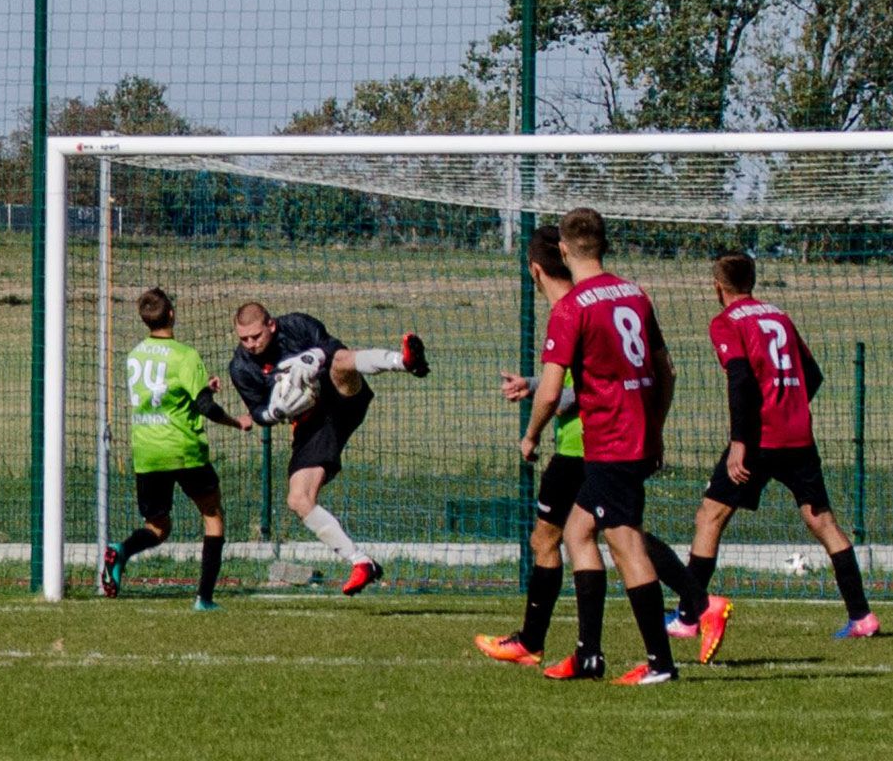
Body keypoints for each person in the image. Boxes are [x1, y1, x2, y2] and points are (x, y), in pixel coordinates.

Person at [475, 226, 729, 668]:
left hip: (590, 443)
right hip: (616, 438)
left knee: (594, 538)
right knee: (591, 533)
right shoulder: (622, 297)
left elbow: (575, 389)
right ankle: (589, 650)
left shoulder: (575, 309)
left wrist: (532, 430)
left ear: (537, 269)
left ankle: (668, 630)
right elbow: (636, 372)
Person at [676, 251, 879, 639]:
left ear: (717, 287)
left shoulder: (726, 322)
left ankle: (687, 617)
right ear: (751, 281)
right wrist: (790, 406)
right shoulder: (779, 316)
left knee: (710, 516)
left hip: (759, 439)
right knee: (822, 522)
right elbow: (812, 374)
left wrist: (739, 442)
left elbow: (740, 379)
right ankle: (862, 617)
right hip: (798, 437)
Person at [229, 302, 429, 596]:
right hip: (312, 425)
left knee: (340, 360)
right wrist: (274, 412)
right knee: (298, 499)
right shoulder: (241, 367)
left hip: (342, 397)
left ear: (271, 325)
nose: (251, 344)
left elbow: (332, 346)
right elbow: (257, 411)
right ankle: (361, 562)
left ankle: (405, 362)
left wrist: (315, 356)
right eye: (244, 339)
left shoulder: (296, 325)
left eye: (256, 336)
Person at [102, 288, 253, 610]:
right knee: (212, 516)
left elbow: (162, 393)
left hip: (147, 451)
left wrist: (201, 386)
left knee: (158, 527)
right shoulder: (185, 356)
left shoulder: (134, 356)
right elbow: (205, 407)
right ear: (171, 313)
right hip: (183, 450)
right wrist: (236, 421)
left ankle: (121, 550)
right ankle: (204, 598)